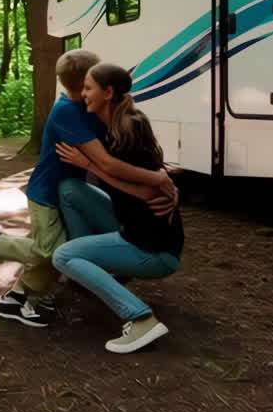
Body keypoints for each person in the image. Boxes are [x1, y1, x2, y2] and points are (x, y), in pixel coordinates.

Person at [0, 50, 177, 327]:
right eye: (89, 83)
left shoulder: (88, 107)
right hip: (46, 194)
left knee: (59, 248)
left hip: (68, 191)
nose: (91, 89)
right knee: (51, 252)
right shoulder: (66, 111)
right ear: (82, 83)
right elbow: (105, 162)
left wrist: (164, 178)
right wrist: (159, 180)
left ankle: (26, 295)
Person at [52, 62, 184, 353]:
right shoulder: (119, 124)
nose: (82, 94)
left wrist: (89, 165)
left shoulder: (128, 131)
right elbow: (138, 182)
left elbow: (148, 191)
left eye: (88, 88)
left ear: (108, 92)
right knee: (71, 190)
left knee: (63, 256)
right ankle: (92, 276)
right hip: (138, 229)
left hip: (153, 250)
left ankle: (140, 319)